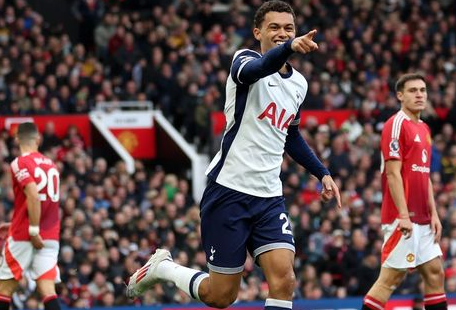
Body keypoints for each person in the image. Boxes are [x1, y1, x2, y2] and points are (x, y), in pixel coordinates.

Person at [126, 1, 341, 309]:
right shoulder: (244, 60)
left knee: (285, 280)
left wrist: (322, 171)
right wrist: (290, 46)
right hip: (229, 190)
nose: (282, 33)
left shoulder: (298, 83)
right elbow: (260, 68)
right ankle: (164, 268)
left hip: (268, 196)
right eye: (275, 27)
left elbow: (289, 134)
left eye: (289, 28)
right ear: (258, 32)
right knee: (222, 295)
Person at [361, 73, 447, 310]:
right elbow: (392, 174)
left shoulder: (425, 128)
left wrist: (434, 214)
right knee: (390, 279)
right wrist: (404, 215)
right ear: (400, 96)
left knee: (434, 272)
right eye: (413, 90)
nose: (419, 94)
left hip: (423, 217)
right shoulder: (396, 124)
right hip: (403, 217)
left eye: (423, 90)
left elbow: (424, 174)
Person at [0, 122, 62, 310]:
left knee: (5, 290)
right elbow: (44, 203)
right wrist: (16, 222)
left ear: (16, 139)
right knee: (48, 290)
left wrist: (32, 229)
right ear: (38, 139)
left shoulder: (19, 162)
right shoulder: (52, 165)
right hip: (50, 236)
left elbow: (33, 193)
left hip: (26, 235)